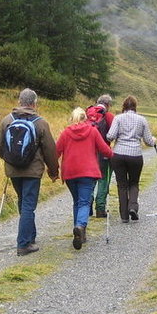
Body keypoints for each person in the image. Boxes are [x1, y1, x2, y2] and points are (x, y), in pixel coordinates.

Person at [0, 88, 59, 256]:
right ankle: (23, 244)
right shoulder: (41, 123)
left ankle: (30, 236)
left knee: (23, 202)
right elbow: (50, 150)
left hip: (13, 170)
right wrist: (53, 170)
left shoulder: (7, 120)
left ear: (19, 101)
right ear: (34, 103)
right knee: (29, 205)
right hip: (33, 171)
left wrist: (9, 158)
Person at [56, 107, 113, 249]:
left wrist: (51, 169)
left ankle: (80, 233)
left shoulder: (65, 133)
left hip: (70, 173)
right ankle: (80, 226)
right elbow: (104, 149)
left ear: (72, 119)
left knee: (77, 201)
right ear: (85, 119)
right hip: (87, 172)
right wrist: (112, 155)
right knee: (84, 202)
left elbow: (56, 152)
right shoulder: (93, 131)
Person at [106, 95, 157, 223]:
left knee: (121, 185)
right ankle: (133, 207)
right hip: (135, 154)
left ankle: (124, 216)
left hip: (118, 154)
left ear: (124, 106)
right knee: (134, 183)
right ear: (135, 106)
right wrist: (154, 140)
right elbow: (149, 142)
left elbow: (110, 136)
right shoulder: (142, 120)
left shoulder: (118, 118)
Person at [87, 94, 115, 218]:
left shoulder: (87, 113)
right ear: (108, 105)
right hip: (103, 153)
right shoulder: (108, 116)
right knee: (103, 180)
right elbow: (113, 135)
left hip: (88, 153)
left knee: (90, 180)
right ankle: (100, 208)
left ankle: (87, 207)